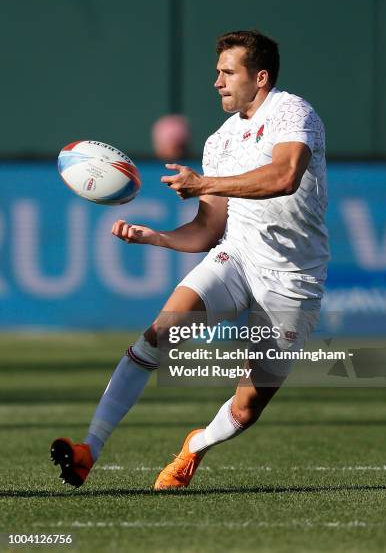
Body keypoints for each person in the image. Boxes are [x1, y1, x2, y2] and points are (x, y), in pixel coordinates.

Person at [50, 30, 329, 490]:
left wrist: (203, 185)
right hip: (235, 258)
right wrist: (155, 237)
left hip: (291, 278)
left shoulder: (293, 112)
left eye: (227, 72)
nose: (217, 81)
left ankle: (195, 446)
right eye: (216, 71)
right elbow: (207, 229)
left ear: (260, 77)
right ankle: (88, 449)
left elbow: (284, 176)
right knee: (158, 334)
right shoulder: (219, 141)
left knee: (245, 408)